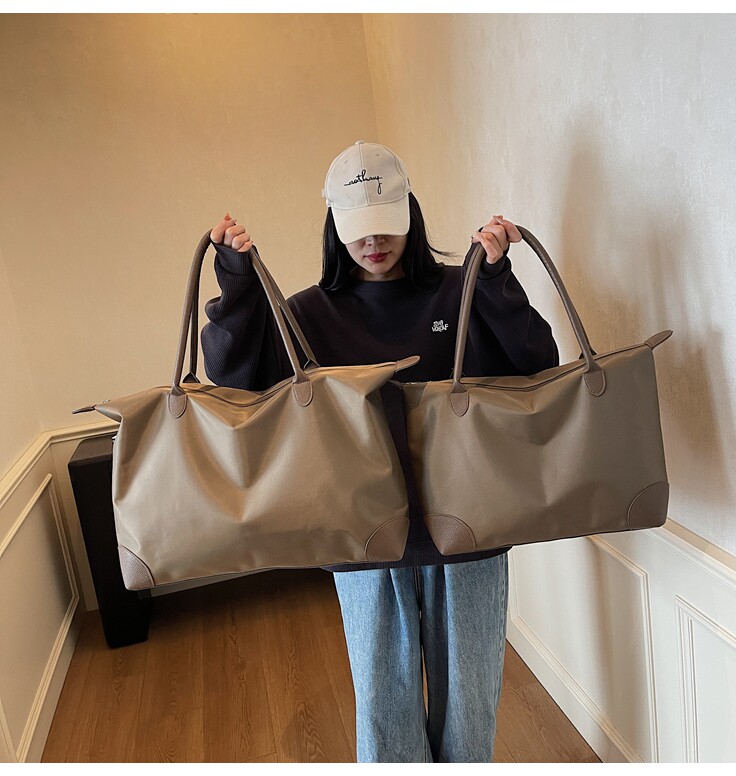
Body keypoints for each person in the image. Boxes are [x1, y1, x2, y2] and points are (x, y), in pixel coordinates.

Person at [201, 140, 559, 763]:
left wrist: (497, 280)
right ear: (335, 227)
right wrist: (236, 284)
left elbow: (537, 366)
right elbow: (236, 383)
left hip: (469, 532)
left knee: (470, 714)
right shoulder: (306, 315)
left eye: (386, 223)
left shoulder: (462, 289)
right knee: (385, 717)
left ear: (410, 212)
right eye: (358, 228)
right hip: (363, 539)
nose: (374, 241)